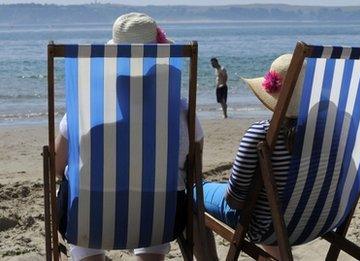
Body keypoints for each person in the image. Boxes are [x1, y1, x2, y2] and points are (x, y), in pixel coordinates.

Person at [54, 13, 204, 261]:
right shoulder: (181, 111)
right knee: (158, 202)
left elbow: (58, 167)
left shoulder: (84, 110)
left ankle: (87, 254)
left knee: (81, 198)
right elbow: (194, 169)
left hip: (88, 218)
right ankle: (150, 253)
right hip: (160, 219)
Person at [201, 54, 306, 259]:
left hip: (266, 226)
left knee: (195, 191)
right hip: (312, 221)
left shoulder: (262, 133)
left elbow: (234, 199)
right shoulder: (327, 132)